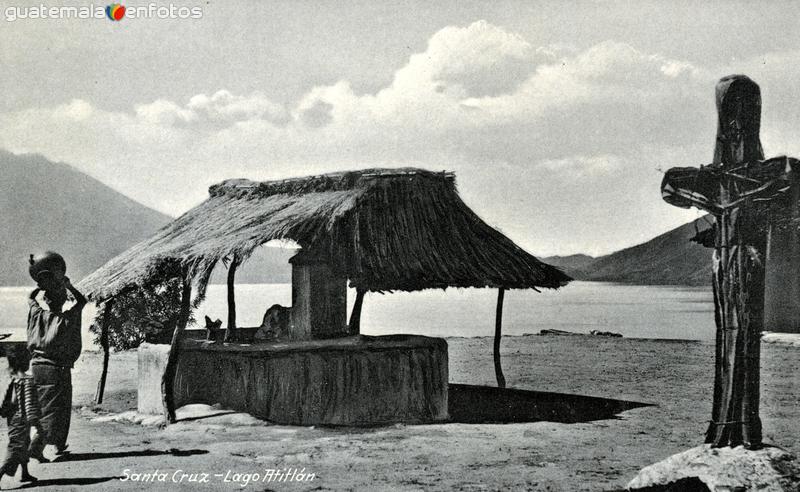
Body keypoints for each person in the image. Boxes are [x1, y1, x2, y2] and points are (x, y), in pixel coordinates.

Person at [26, 276, 85, 461]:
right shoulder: (66, 319)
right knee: (58, 409)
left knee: (45, 408)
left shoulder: (37, 314)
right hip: (56, 369)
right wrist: (69, 285)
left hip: (37, 368)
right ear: (62, 300)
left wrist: (41, 286)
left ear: (46, 300)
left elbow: (30, 298)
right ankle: (35, 447)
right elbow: (82, 301)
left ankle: (58, 445)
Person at [0, 345, 44, 487]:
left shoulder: (12, 379)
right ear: (25, 362)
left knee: (23, 444)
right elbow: (28, 404)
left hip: (13, 419)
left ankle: (24, 473)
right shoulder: (26, 380)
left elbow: (9, 401)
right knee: (16, 447)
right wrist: (35, 422)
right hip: (22, 419)